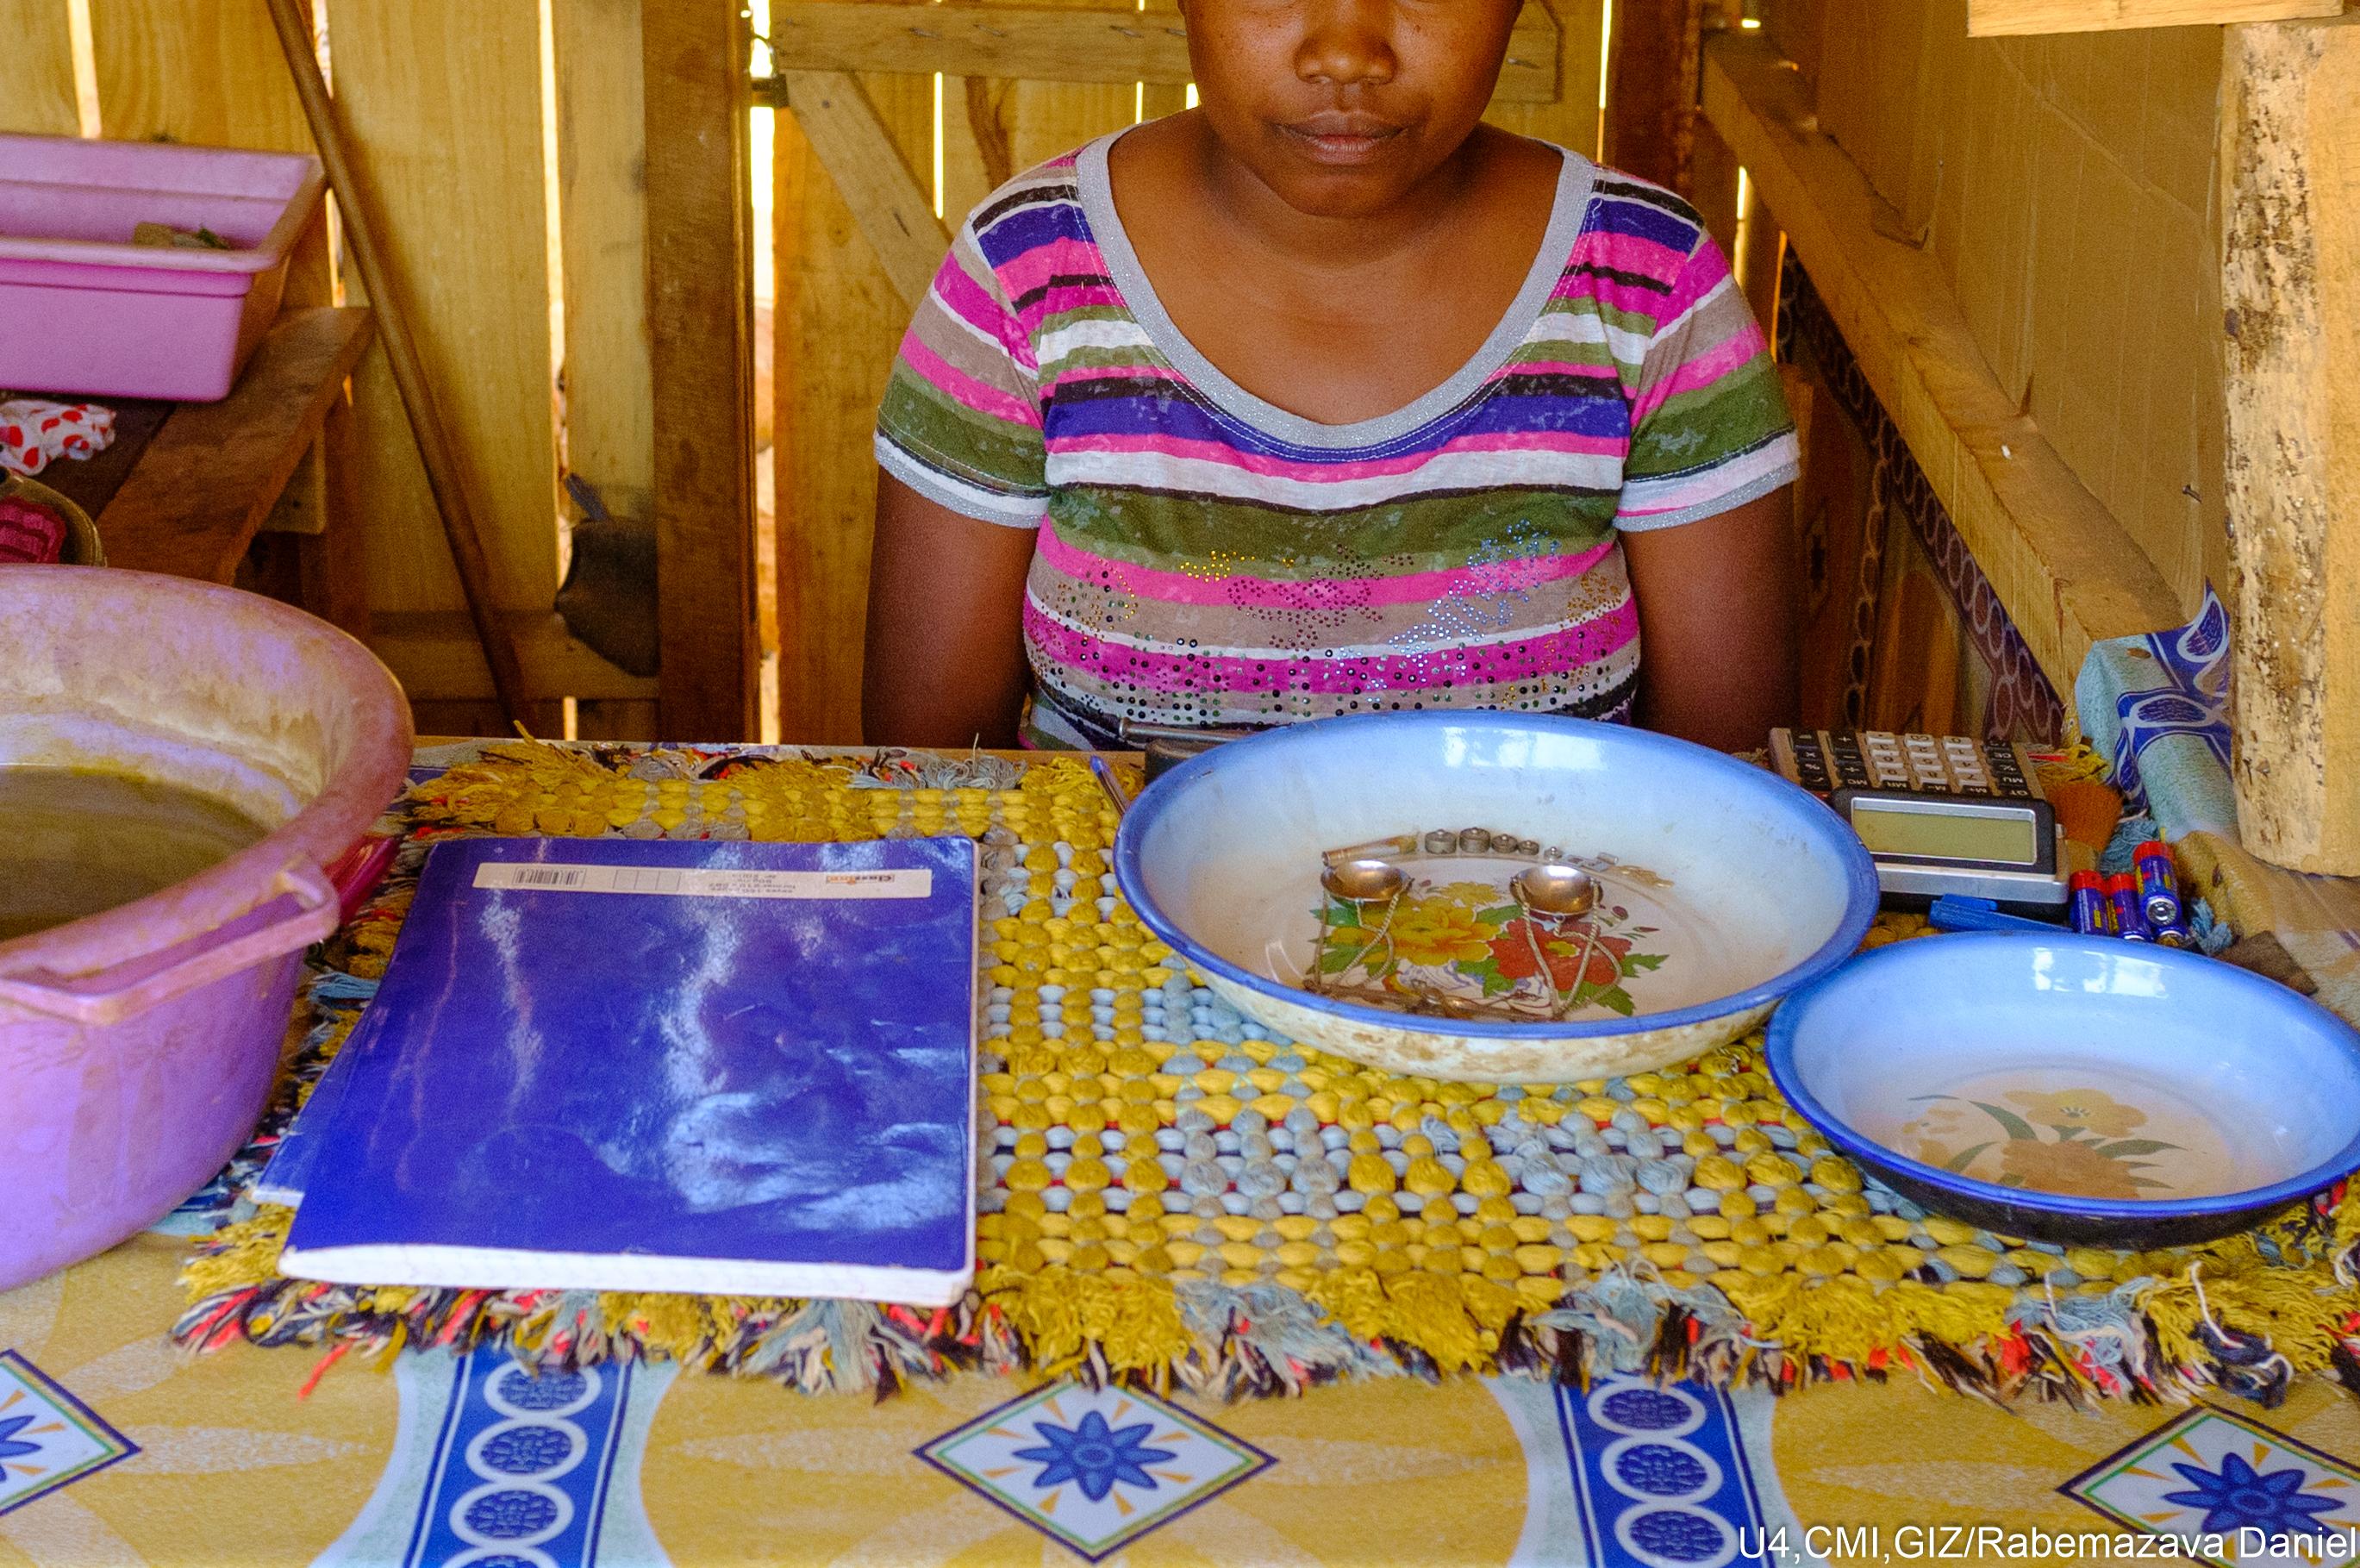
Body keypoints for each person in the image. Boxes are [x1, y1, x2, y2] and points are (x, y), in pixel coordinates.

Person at [863, 0, 1800, 755]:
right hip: (1109, 972)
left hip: (1541, 967)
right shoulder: (1028, 274)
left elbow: (1723, 777)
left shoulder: (1645, 286)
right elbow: (933, 755)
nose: (1346, 51)